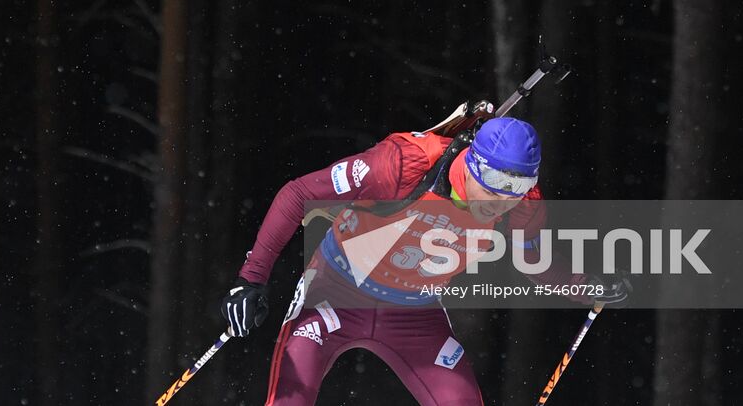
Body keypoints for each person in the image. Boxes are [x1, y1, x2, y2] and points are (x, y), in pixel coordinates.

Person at [219, 116, 629, 405]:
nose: (502, 200)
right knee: (291, 397)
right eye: (496, 184)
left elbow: (532, 259)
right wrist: (250, 280)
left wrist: (585, 286)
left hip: (415, 314)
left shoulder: (522, 205)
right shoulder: (403, 164)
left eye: (519, 187)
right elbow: (298, 194)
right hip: (335, 293)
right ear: (473, 163)